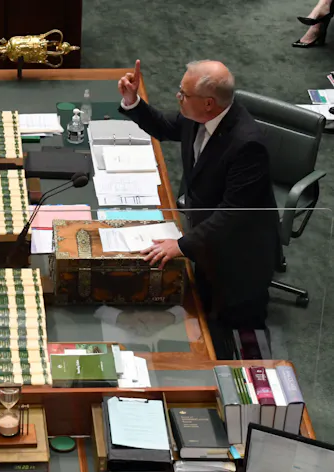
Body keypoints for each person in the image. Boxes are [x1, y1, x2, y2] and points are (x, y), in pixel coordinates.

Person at [117, 59, 278, 356]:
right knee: (204, 308)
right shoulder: (198, 116)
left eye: (183, 93)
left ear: (208, 103)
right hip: (208, 235)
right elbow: (166, 127)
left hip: (241, 254)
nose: (177, 96)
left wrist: (181, 245)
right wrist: (133, 102)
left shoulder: (247, 145)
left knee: (240, 324)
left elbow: (231, 216)